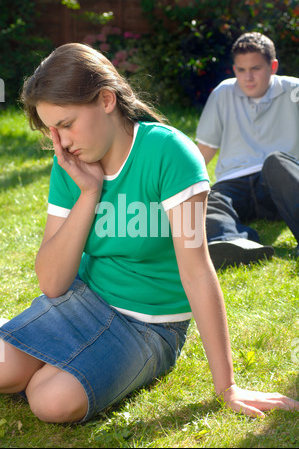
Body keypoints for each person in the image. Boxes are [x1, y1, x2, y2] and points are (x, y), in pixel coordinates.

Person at [0, 43, 298, 424]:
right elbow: (53, 283)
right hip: (82, 302)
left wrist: (227, 387)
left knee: (50, 402)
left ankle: (42, 350)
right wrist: (89, 193)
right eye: (52, 130)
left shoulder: (171, 154)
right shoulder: (70, 164)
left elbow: (197, 271)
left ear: (106, 100)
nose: (62, 143)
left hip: (150, 326)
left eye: (66, 124)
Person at [196, 32, 299, 270]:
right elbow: (206, 149)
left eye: (255, 68)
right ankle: (231, 243)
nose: (248, 77)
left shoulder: (294, 91)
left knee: (276, 161)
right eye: (241, 70)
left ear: (273, 66)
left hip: (277, 182)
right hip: (235, 184)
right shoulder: (223, 93)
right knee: (207, 196)